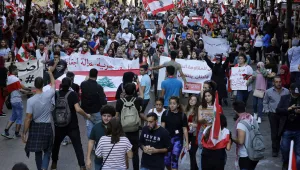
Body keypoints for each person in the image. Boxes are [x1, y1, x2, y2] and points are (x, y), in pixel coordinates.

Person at [51, 77, 91, 170]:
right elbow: (77, 109)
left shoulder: (56, 94)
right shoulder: (72, 94)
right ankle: (82, 166)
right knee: (77, 146)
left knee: (56, 145)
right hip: (72, 125)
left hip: (59, 125)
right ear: (70, 85)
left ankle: (54, 164)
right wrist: (86, 115)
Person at [22, 70, 55, 170]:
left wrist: (24, 133)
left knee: (38, 151)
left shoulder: (30, 101)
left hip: (36, 127)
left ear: (35, 86)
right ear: (43, 85)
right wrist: (50, 73)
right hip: (47, 126)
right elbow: (53, 84)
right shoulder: (48, 95)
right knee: (48, 150)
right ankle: (44, 167)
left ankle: (40, 169)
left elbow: (28, 119)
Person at [116, 83, 146, 170]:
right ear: (134, 91)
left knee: (124, 152)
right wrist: (138, 83)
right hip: (135, 129)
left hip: (123, 130)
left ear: (125, 91)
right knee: (135, 152)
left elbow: (117, 116)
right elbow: (142, 95)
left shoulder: (120, 101)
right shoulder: (137, 100)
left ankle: (125, 168)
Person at [2, 63, 31, 139]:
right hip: (17, 100)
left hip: (12, 100)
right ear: (13, 71)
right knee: (19, 117)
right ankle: (17, 133)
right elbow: (21, 89)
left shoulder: (9, 78)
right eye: (16, 70)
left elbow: (19, 86)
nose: (17, 71)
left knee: (13, 116)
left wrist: (27, 89)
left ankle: (6, 131)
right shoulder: (15, 79)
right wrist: (28, 91)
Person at [263, 76, 290, 157]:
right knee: (274, 133)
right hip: (273, 114)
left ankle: (284, 149)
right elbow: (265, 102)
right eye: (276, 82)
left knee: (283, 132)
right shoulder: (268, 92)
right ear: (273, 83)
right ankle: (275, 149)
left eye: (280, 82)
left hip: (284, 114)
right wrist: (268, 111)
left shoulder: (286, 91)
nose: (278, 83)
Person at [276, 83, 300, 170]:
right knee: (285, 149)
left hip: (298, 130)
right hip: (287, 129)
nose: (296, 94)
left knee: (299, 153)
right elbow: (278, 110)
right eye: (294, 93)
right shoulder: (284, 98)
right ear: (290, 90)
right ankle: (285, 162)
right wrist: (288, 109)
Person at [161, 96, 189, 170]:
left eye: (174, 103)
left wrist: (187, 142)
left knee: (174, 160)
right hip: (167, 140)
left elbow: (185, 130)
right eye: (170, 103)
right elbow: (162, 128)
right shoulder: (165, 113)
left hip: (178, 140)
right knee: (166, 161)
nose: (172, 105)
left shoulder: (182, 115)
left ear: (178, 105)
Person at [231, 101, 260, 170]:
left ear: (235, 110)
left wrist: (232, 138)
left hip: (245, 155)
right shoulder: (252, 118)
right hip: (255, 152)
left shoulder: (240, 123)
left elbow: (241, 141)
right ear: (245, 108)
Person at [86, 105, 115, 170]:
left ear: (112, 117)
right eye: (104, 116)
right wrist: (88, 158)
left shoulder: (117, 128)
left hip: (114, 162)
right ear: (101, 116)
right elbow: (91, 142)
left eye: (109, 116)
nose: (106, 118)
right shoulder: (96, 127)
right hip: (99, 161)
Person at [81, 68, 107, 138]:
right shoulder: (99, 87)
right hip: (96, 111)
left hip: (86, 111)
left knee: (89, 127)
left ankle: (91, 144)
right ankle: (97, 144)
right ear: (97, 76)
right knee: (98, 128)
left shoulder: (83, 84)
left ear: (89, 75)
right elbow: (103, 102)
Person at [185, 95, 199, 170]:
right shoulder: (186, 110)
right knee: (190, 152)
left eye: (194, 100)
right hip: (187, 133)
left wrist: (193, 124)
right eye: (190, 99)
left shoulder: (198, 111)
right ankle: (194, 167)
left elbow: (201, 124)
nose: (191, 101)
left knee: (193, 152)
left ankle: (193, 168)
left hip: (195, 134)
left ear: (197, 102)